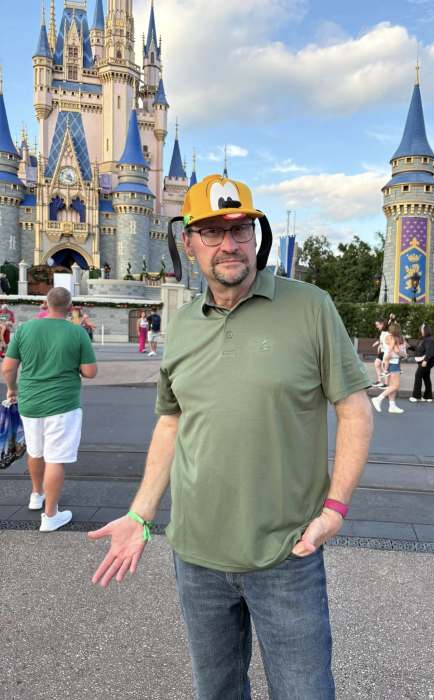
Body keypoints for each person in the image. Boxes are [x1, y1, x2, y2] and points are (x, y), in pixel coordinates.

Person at [88, 174, 373, 699]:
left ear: (256, 236)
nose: (229, 244)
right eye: (212, 231)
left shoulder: (311, 306)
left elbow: (355, 410)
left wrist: (335, 509)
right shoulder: (183, 324)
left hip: (288, 553)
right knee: (216, 691)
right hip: (197, 555)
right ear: (188, 242)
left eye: (241, 229)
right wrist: (140, 514)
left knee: (305, 692)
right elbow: (172, 421)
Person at [1, 287, 97, 532]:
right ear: (70, 307)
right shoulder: (77, 332)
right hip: (62, 404)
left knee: (35, 451)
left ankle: (36, 494)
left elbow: (8, 368)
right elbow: (90, 372)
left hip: (30, 402)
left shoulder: (25, 329)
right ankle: (51, 515)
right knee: (56, 458)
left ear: (46, 303)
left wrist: (12, 389)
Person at [371, 321, 406, 414]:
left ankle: (392, 406)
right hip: (393, 363)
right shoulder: (392, 338)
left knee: (391, 386)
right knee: (396, 385)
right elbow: (397, 351)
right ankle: (378, 399)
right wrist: (404, 354)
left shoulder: (388, 337)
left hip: (390, 362)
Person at [409, 323, 434, 403]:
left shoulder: (429, 340)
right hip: (424, 361)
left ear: (426, 330)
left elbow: (430, 351)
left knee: (418, 376)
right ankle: (428, 396)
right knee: (426, 377)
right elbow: (418, 349)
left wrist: (425, 361)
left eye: (422, 329)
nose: (421, 330)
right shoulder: (423, 339)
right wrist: (409, 346)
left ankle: (416, 396)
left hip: (426, 362)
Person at [371, 318, 389, 388]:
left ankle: (386, 384)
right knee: (377, 363)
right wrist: (378, 344)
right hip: (382, 351)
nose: (377, 326)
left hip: (387, 352)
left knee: (384, 368)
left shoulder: (388, 332)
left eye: (377, 325)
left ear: (382, 324)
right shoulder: (382, 332)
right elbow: (381, 340)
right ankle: (379, 381)